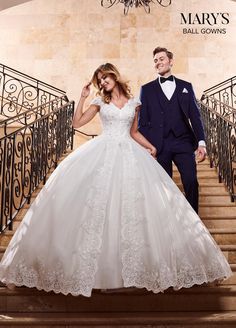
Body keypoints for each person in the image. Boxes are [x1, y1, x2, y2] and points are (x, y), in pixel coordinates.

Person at [0, 63, 232, 297]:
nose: (102, 82)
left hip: (130, 153)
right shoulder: (100, 102)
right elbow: (76, 123)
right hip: (103, 151)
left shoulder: (134, 103)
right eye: (99, 80)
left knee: (136, 208)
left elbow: (133, 132)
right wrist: (82, 98)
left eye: (104, 77)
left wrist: (150, 146)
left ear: (114, 75)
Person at [139, 47, 207, 213]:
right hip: (159, 144)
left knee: (191, 181)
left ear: (170, 61)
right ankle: (168, 224)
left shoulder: (186, 86)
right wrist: (149, 147)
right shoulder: (146, 89)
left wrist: (201, 143)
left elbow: (195, 117)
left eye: (161, 59)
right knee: (163, 185)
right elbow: (143, 122)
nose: (158, 62)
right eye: (155, 60)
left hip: (183, 142)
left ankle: (194, 220)